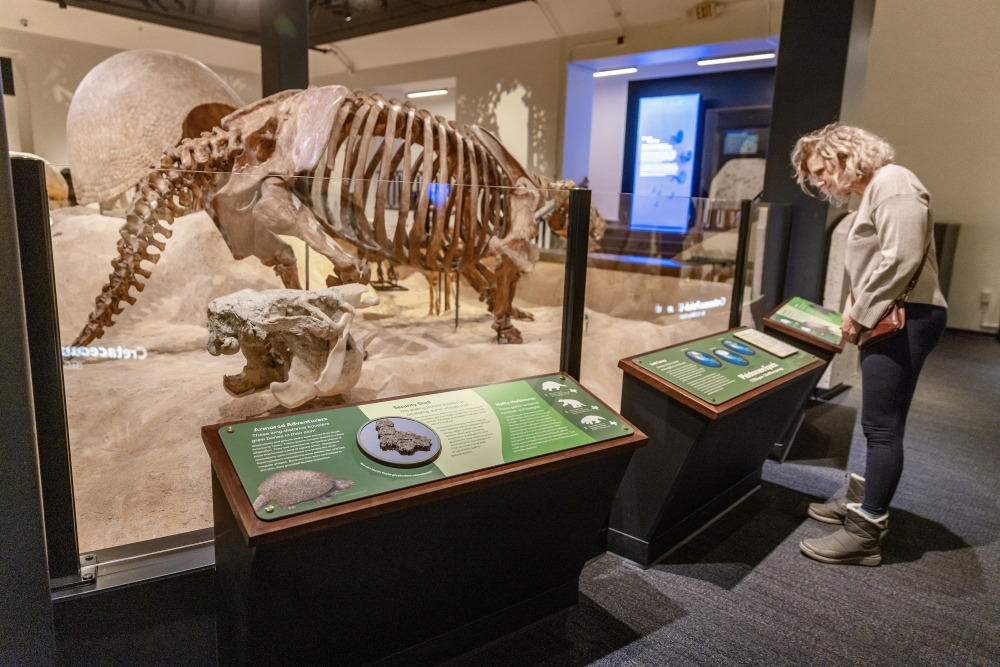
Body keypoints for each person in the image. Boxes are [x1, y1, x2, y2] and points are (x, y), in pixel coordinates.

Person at [790, 123, 948, 566]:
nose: (820, 182)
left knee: (883, 427)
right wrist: (855, 309)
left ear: (847, 156)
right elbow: (879, 261)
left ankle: (865, 532)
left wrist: (859, 314)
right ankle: (861, 502)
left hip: (905, 319)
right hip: (894, 316)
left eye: (822, 170)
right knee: (877, 420)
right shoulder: (879, 188)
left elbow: (902, 257)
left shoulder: (893, 183)